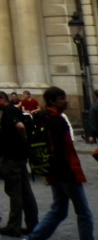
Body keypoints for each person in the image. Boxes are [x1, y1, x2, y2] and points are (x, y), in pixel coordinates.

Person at [26, 87, 93, 240]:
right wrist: (67, 175)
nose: (66, 101)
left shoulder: (41, 118)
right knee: (83, 213)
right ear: (52, 101)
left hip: (53, 171)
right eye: (62, 99)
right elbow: (60, 150)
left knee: (59, 210)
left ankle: (34, 238)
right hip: (66, 171)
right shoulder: (56, 121)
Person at [0, 90, 38, 237]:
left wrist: (23, 139)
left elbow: (20, 127)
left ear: (2, 98)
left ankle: (14, 226)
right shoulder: (15, 110)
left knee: (15, 192)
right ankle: (32, 224)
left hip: (11, 157)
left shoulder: (9, 111)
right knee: (25, 192)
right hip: (19, 156)